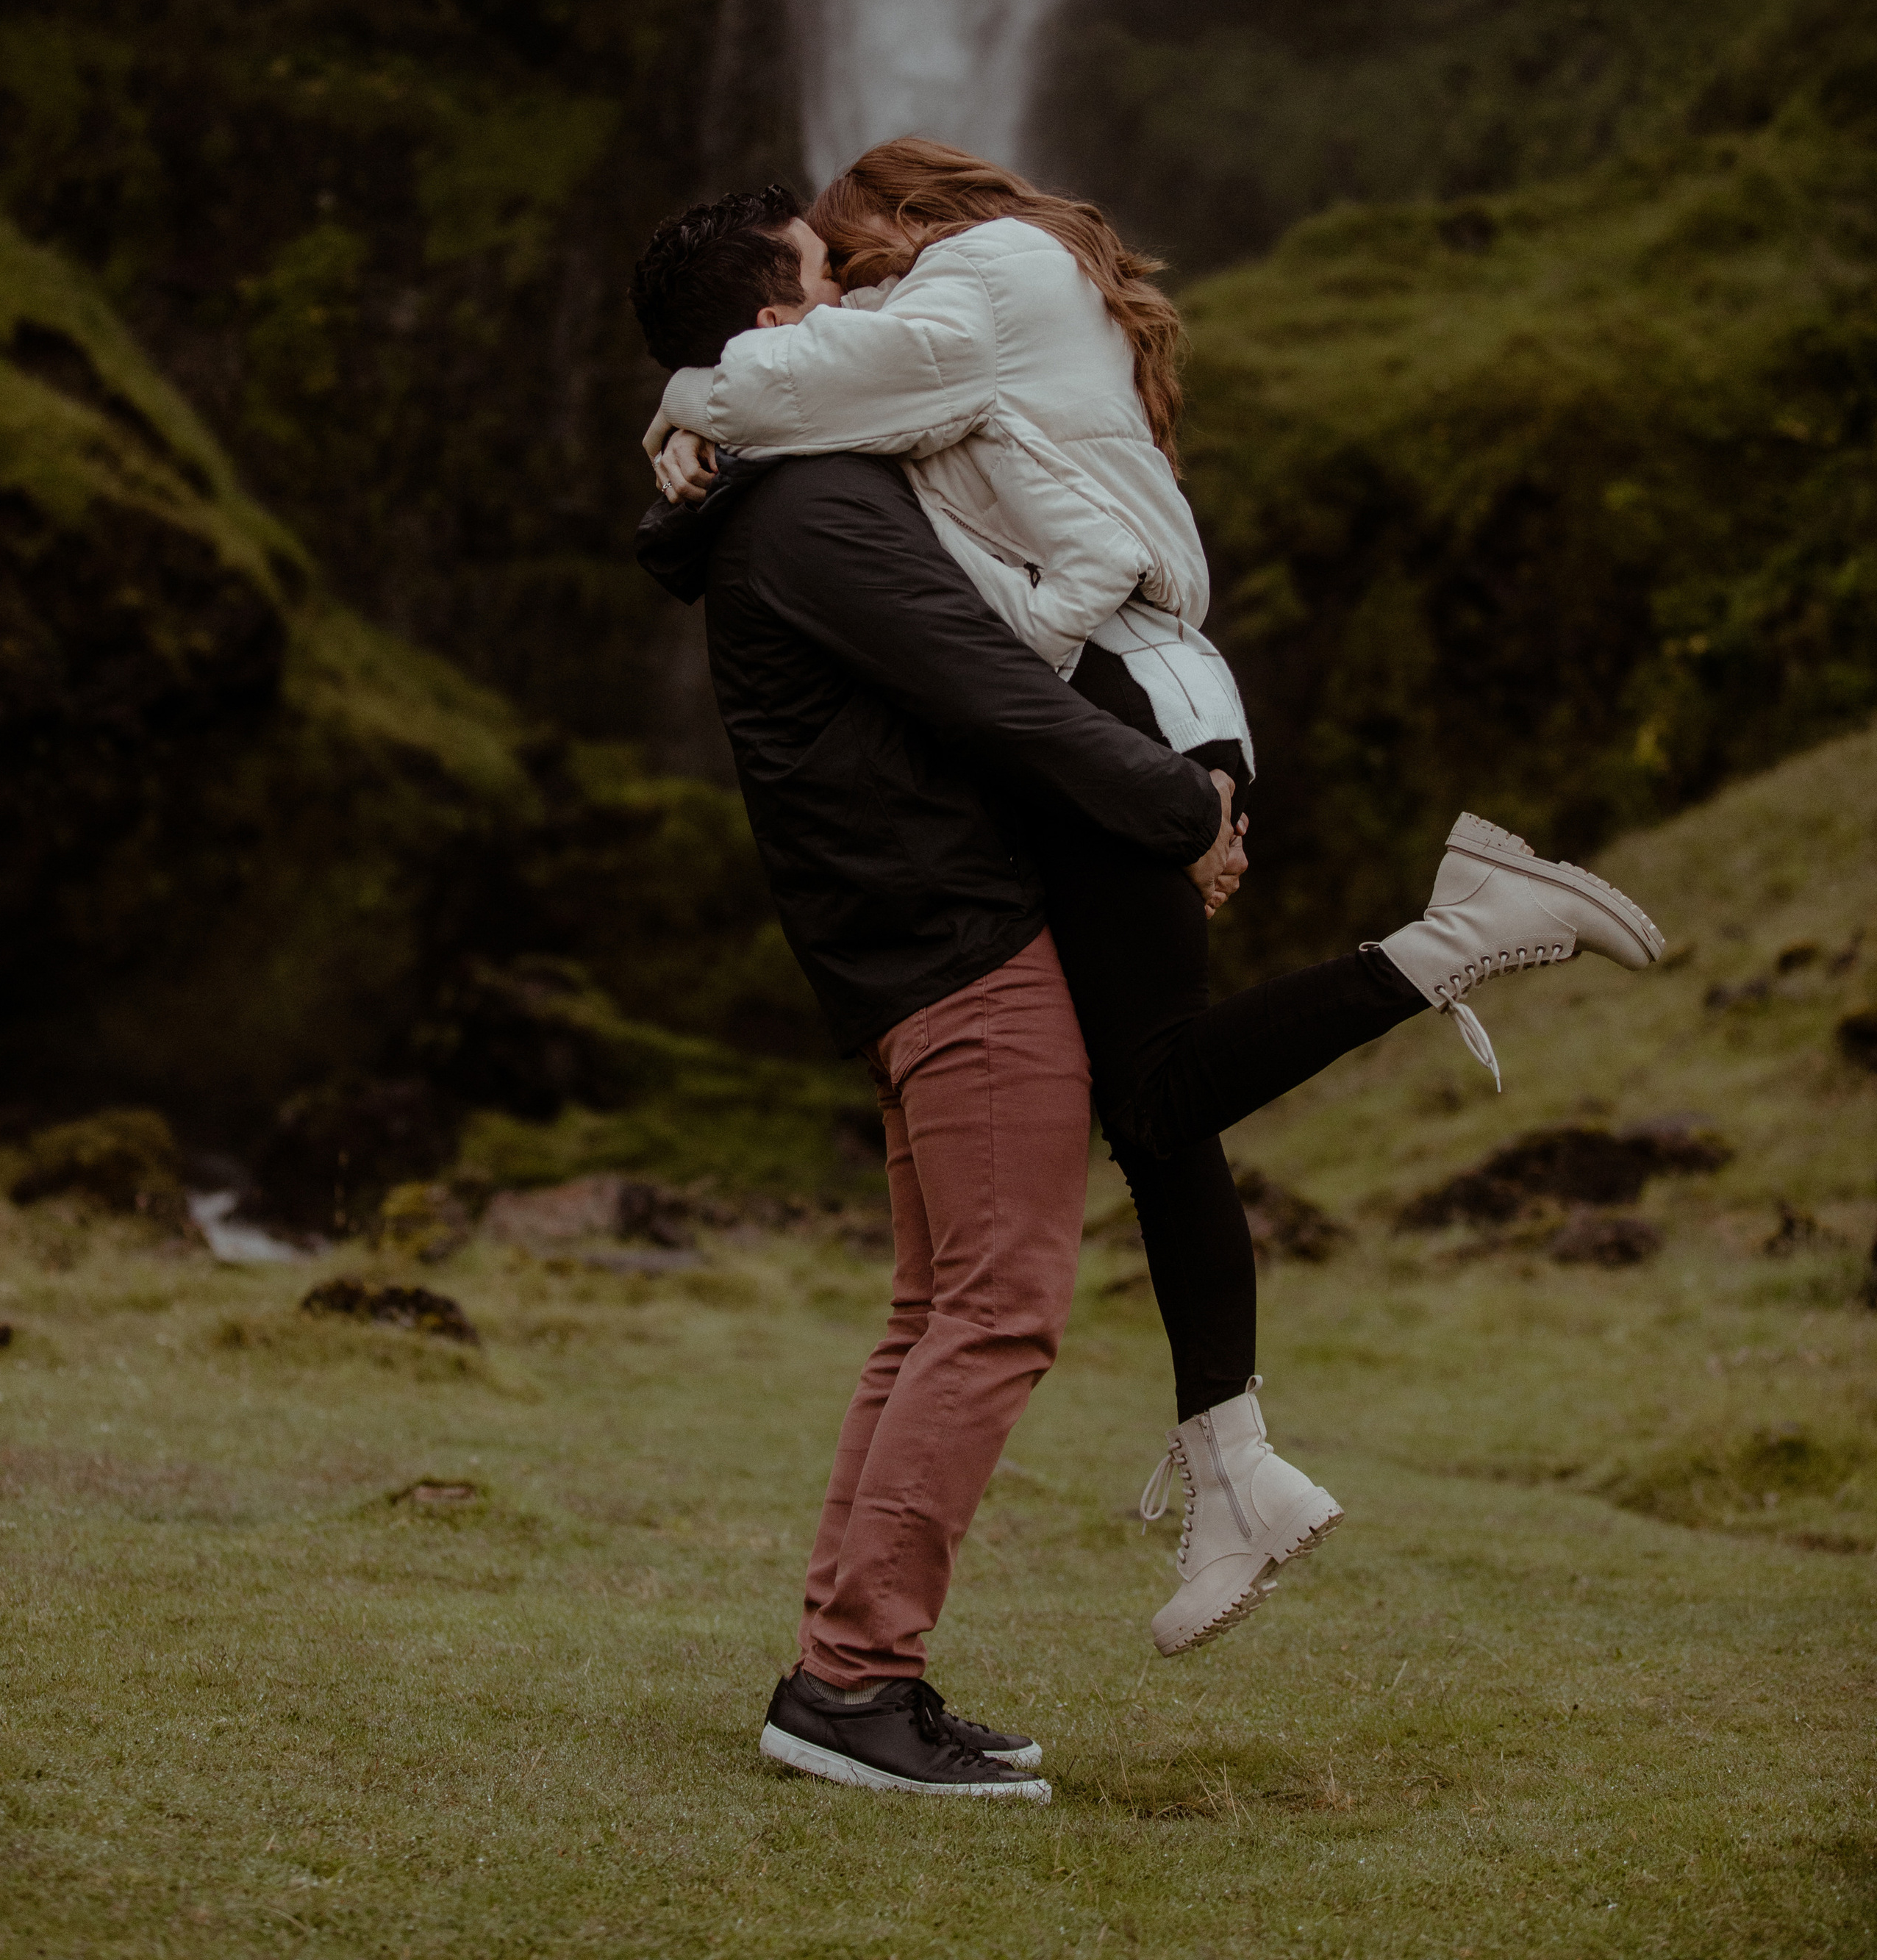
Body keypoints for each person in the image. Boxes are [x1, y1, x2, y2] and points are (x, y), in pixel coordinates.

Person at [637, 151, 1667, 1660]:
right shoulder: (889, 392)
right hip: (1115, 729)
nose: (854, 293)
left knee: (1152, 1097)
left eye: (857, 262)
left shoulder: (971, 292)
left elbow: (961, 596)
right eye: (830, 276)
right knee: (1150, 1104)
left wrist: (1154, 794)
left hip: (1123, 708)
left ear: (911, 228)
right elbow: (802, 444)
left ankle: (1452, 937)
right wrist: (693, 416)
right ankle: (1225, 1461)